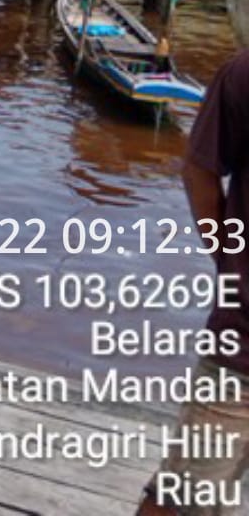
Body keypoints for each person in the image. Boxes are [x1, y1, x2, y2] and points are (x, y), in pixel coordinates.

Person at [138, 50, 249, 516]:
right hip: (243, 347)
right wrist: (231, 259)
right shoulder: (242, 75)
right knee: (183, 497)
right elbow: (200, 169)